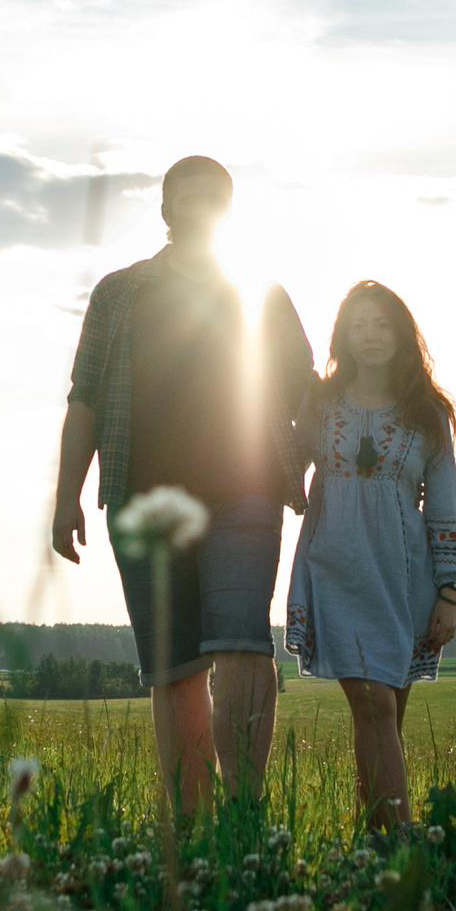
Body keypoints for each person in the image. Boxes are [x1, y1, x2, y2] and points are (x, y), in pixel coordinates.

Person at [52, 157, 315, 812]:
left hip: (244, 492)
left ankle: (246, 818)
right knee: (174, 668)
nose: (198, 209)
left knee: (245, 649)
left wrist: (298, 463)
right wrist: (65, 497)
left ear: (226, 211)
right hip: (144, 500)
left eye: (212, 199)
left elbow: (309, 392)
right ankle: (194, 825)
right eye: (186, 198)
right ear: (165, 211)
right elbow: (84, 397)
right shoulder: (119, 293)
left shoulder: (261, 293)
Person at [284, 280, 456, 832]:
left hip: (404, 578)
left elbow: (446, 501)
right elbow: (281, 464)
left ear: (401, 335)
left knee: (383, 718)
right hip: (335, 567)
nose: (370, 335)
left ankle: (373, 849)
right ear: (342, 335)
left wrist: (448, 593)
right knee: (373, 707)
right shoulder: (319, 404)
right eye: (358, 325)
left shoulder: (425, 414)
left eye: (381, 324)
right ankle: (403, 849)